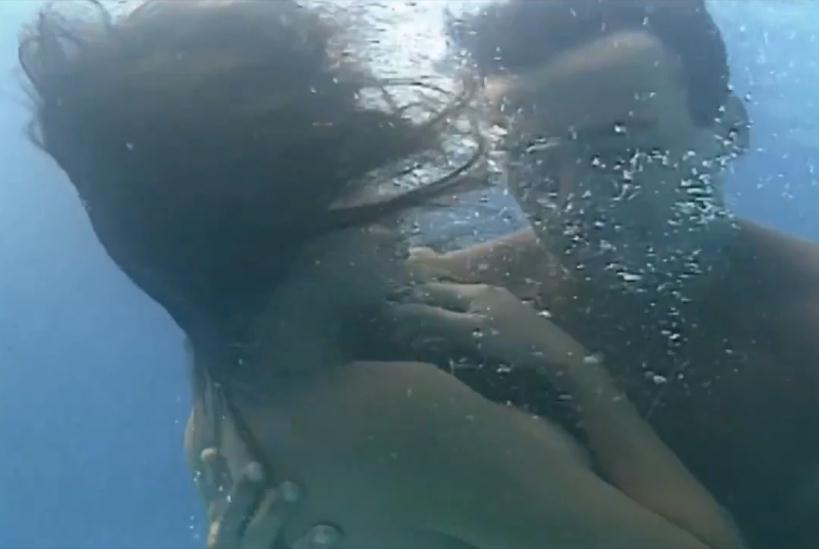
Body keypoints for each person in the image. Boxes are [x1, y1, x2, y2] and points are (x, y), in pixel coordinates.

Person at [19, 2, 748, 549]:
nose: (400, 215)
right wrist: (575, 372)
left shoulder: (218, 412)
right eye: (369, 173)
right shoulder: (406, 414)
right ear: (300, 218)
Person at [397, 2, 819, 549]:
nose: (576, 201)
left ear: (730, 129)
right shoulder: (451, 298)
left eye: (621, 151)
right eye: (533, 157)